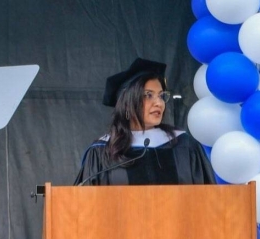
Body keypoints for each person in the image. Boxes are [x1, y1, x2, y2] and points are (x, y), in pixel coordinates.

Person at [75, 57, 216, 186]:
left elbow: (207, 199)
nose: (159, 103)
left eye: (161, 96)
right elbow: (86, 206)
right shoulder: (101, 152)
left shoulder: (185, 145)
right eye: (148, 95)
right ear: (127, 103)